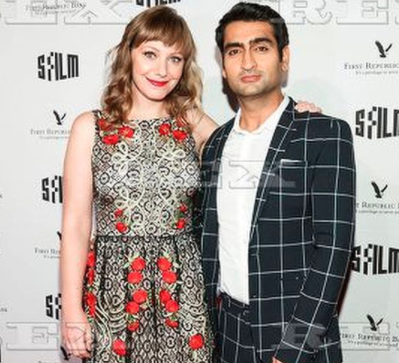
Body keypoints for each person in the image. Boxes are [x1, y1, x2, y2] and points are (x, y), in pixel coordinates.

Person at [59, 5, 319, 363]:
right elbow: (74, 226)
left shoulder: (190, 121)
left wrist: (293, 118)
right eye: (150, 54)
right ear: (128, 55)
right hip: (114, 293)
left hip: (183, 292)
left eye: (175, 58)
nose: (162, 70)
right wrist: (70, 311)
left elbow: (251, 152)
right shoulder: (90, 127)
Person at [200, 3, 356, 363]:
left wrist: (295, 349)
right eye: (234, 51)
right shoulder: (216, 145)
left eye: (262, 47)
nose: (248, 62)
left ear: (284, 58)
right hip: (227, 334)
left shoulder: (324, 134)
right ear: (223, 66)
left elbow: (334, 250)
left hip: (296, 336)